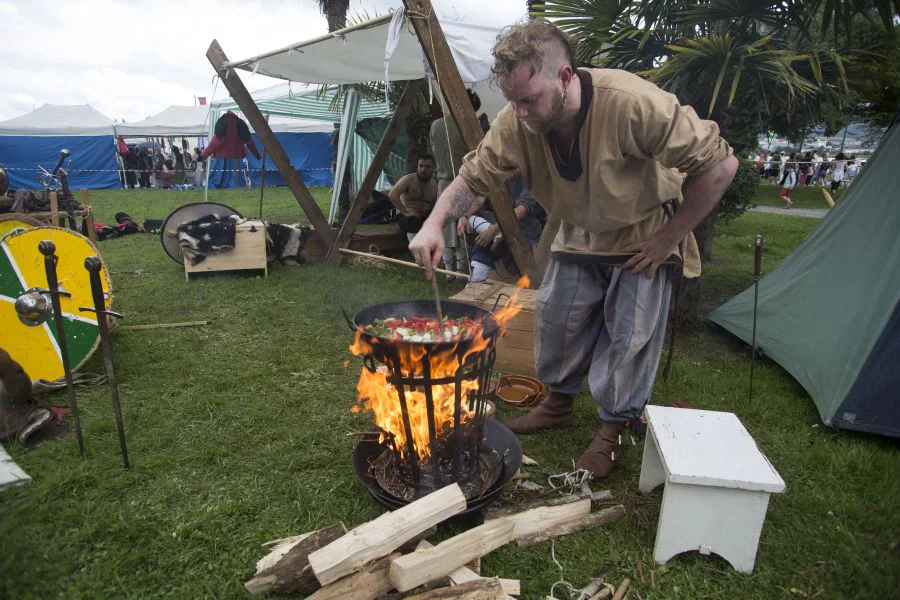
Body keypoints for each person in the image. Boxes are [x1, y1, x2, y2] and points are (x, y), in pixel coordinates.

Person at [409, 19, 737, 479]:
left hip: (642, 232)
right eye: (511, 100)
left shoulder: (633, 103)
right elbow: (472, 178)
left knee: (630, 335)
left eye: (529, 99)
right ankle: (558, 404)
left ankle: (612, 428)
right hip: (578, 230)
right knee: (556, 319)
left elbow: (722, 165)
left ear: (564, 77)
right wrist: (433, 223)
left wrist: (668, 238)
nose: (519, 113)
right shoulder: (517, 120)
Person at [430, 90, 482, 277]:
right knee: (459, 231)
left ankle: (449, 272)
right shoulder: (469, 127)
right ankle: (460, 271)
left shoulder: (436, 125)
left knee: (446, 228)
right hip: (463, 182)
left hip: (444, 183)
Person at [464, 173, 546, 283]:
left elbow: (521, 211)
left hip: (527, 228)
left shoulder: (531, 177)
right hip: (504, 225)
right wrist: (465, 216)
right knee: (471, 215)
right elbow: (481, 197)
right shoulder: (501, 175)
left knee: (487, 241)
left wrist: (493, 230)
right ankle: (477, 282)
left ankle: (477, 281)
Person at [389, 155, 438, 243]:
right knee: (412, 220)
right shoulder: (408, 179)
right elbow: (392, 194)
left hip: (423, 216)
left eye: (427, 166)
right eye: (421, 166)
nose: (423, 169)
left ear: (433, 168)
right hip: (407, 217)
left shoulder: (434, 184)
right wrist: (405, 212)